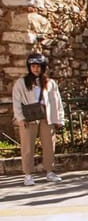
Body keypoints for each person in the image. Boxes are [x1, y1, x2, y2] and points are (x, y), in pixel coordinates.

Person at [11, 53, 65, 186]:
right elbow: (16, 101)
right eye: (33, 66)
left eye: (38, 66)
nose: (35, 69)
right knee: (27, 147)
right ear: (29, 67)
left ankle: (50, 171)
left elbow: (57, 101)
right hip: (29, 118)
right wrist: (20, 118)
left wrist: (59, 119)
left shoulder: (50, 83)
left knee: (49, 145)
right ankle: (28, 174)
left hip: (46, 117)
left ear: (43, 67)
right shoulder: (21, 83)